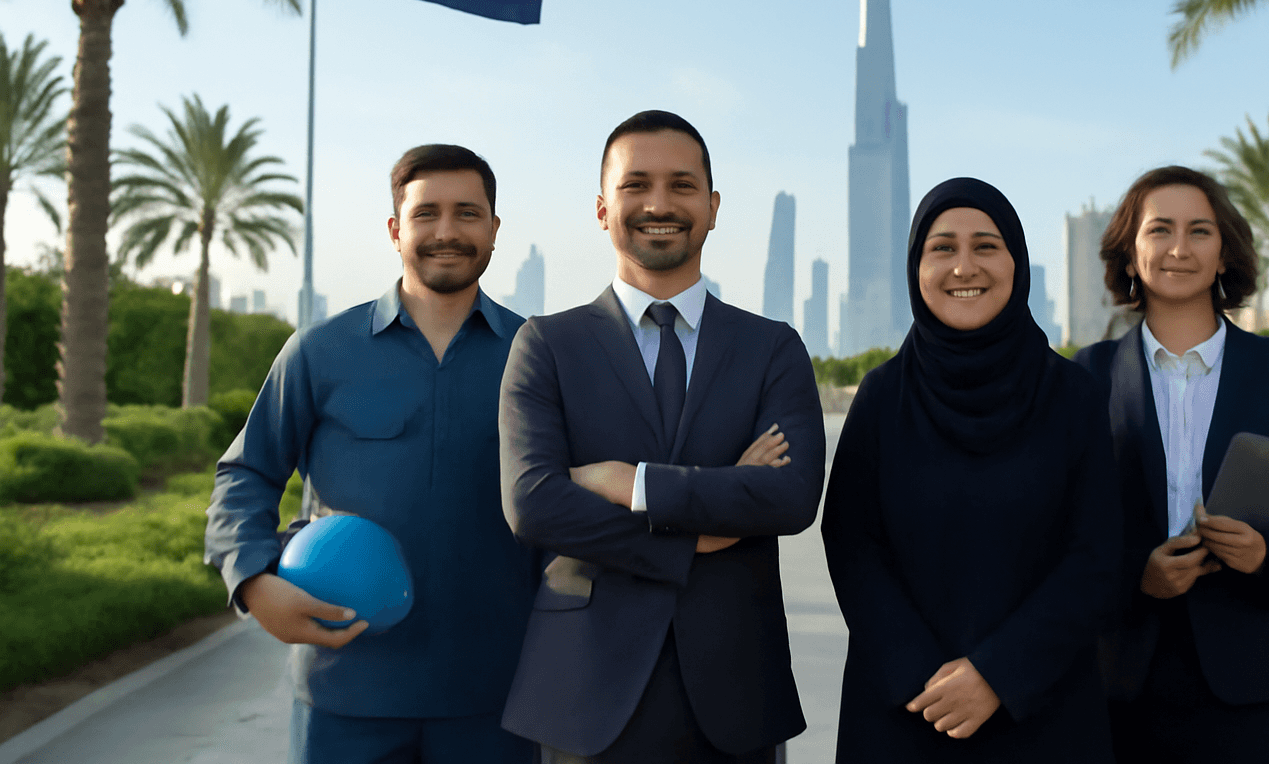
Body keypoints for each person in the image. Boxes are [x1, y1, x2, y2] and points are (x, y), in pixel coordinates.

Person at [499, 110, 825, 764]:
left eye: (681, 185)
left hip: (737, 688)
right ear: (602, 209)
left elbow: (790, 498)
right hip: (584, 691)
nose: (658, 204)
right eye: (635, 185)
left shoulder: (773, 348)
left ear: (712, 207)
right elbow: (534, 504)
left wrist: (632, 484)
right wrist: (703, 526)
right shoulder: (546, 344)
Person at [205, 145, 541, 764]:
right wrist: (252, 579)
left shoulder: (539, 356)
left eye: (467, 213)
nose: (446, 231)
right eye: (425, 213)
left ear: (495, 229)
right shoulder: (320, 351)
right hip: (346, 693)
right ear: (395, 229)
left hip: (499, 698)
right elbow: (247, 473)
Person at [821, 177, 1119, 763]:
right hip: (906, 711)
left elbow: (1096, 554)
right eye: (943, 248)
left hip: (1044, 711)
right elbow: (852, 545)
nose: (964, 266)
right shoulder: (882, 397)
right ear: (917, 267)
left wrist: (998, 675)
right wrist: (925, 677)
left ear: (1017, 263)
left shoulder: (1073, 395)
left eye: (986, 246)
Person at [1073, 165, 1269, 764]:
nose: (1179, 248)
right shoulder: (1085, 375)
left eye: (1200, 231)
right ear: (1129, 253)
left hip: (1255, 686)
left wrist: (1265, 555)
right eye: (1159, 230)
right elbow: (1064, 535)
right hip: (1119, 684)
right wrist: (1137, 575)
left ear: (1224, 255)